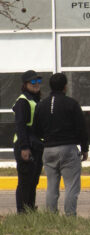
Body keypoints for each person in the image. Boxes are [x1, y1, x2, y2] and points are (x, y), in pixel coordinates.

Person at [34, 72, 90, 217]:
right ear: (65, 87)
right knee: (71, 185)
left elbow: (36, 130)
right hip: (68, 149)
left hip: (48, 150)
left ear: (50, 86)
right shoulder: (71, 104)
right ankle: (70, 216)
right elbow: (81, 128)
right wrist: (84, 148)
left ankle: (51, 216)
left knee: (52, 186)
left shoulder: (41, 105)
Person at [12, 70, 45, 213]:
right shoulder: (23, 101)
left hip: (36, 144)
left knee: (33, 180)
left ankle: (30, 209)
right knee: (25, 181)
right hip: (25, 145)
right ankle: (22, 211)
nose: (36, 84)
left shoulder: (34, 100)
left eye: (38, 81)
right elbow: (20, 125)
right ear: (25, 84)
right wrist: (24, 148)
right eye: (33, 82)